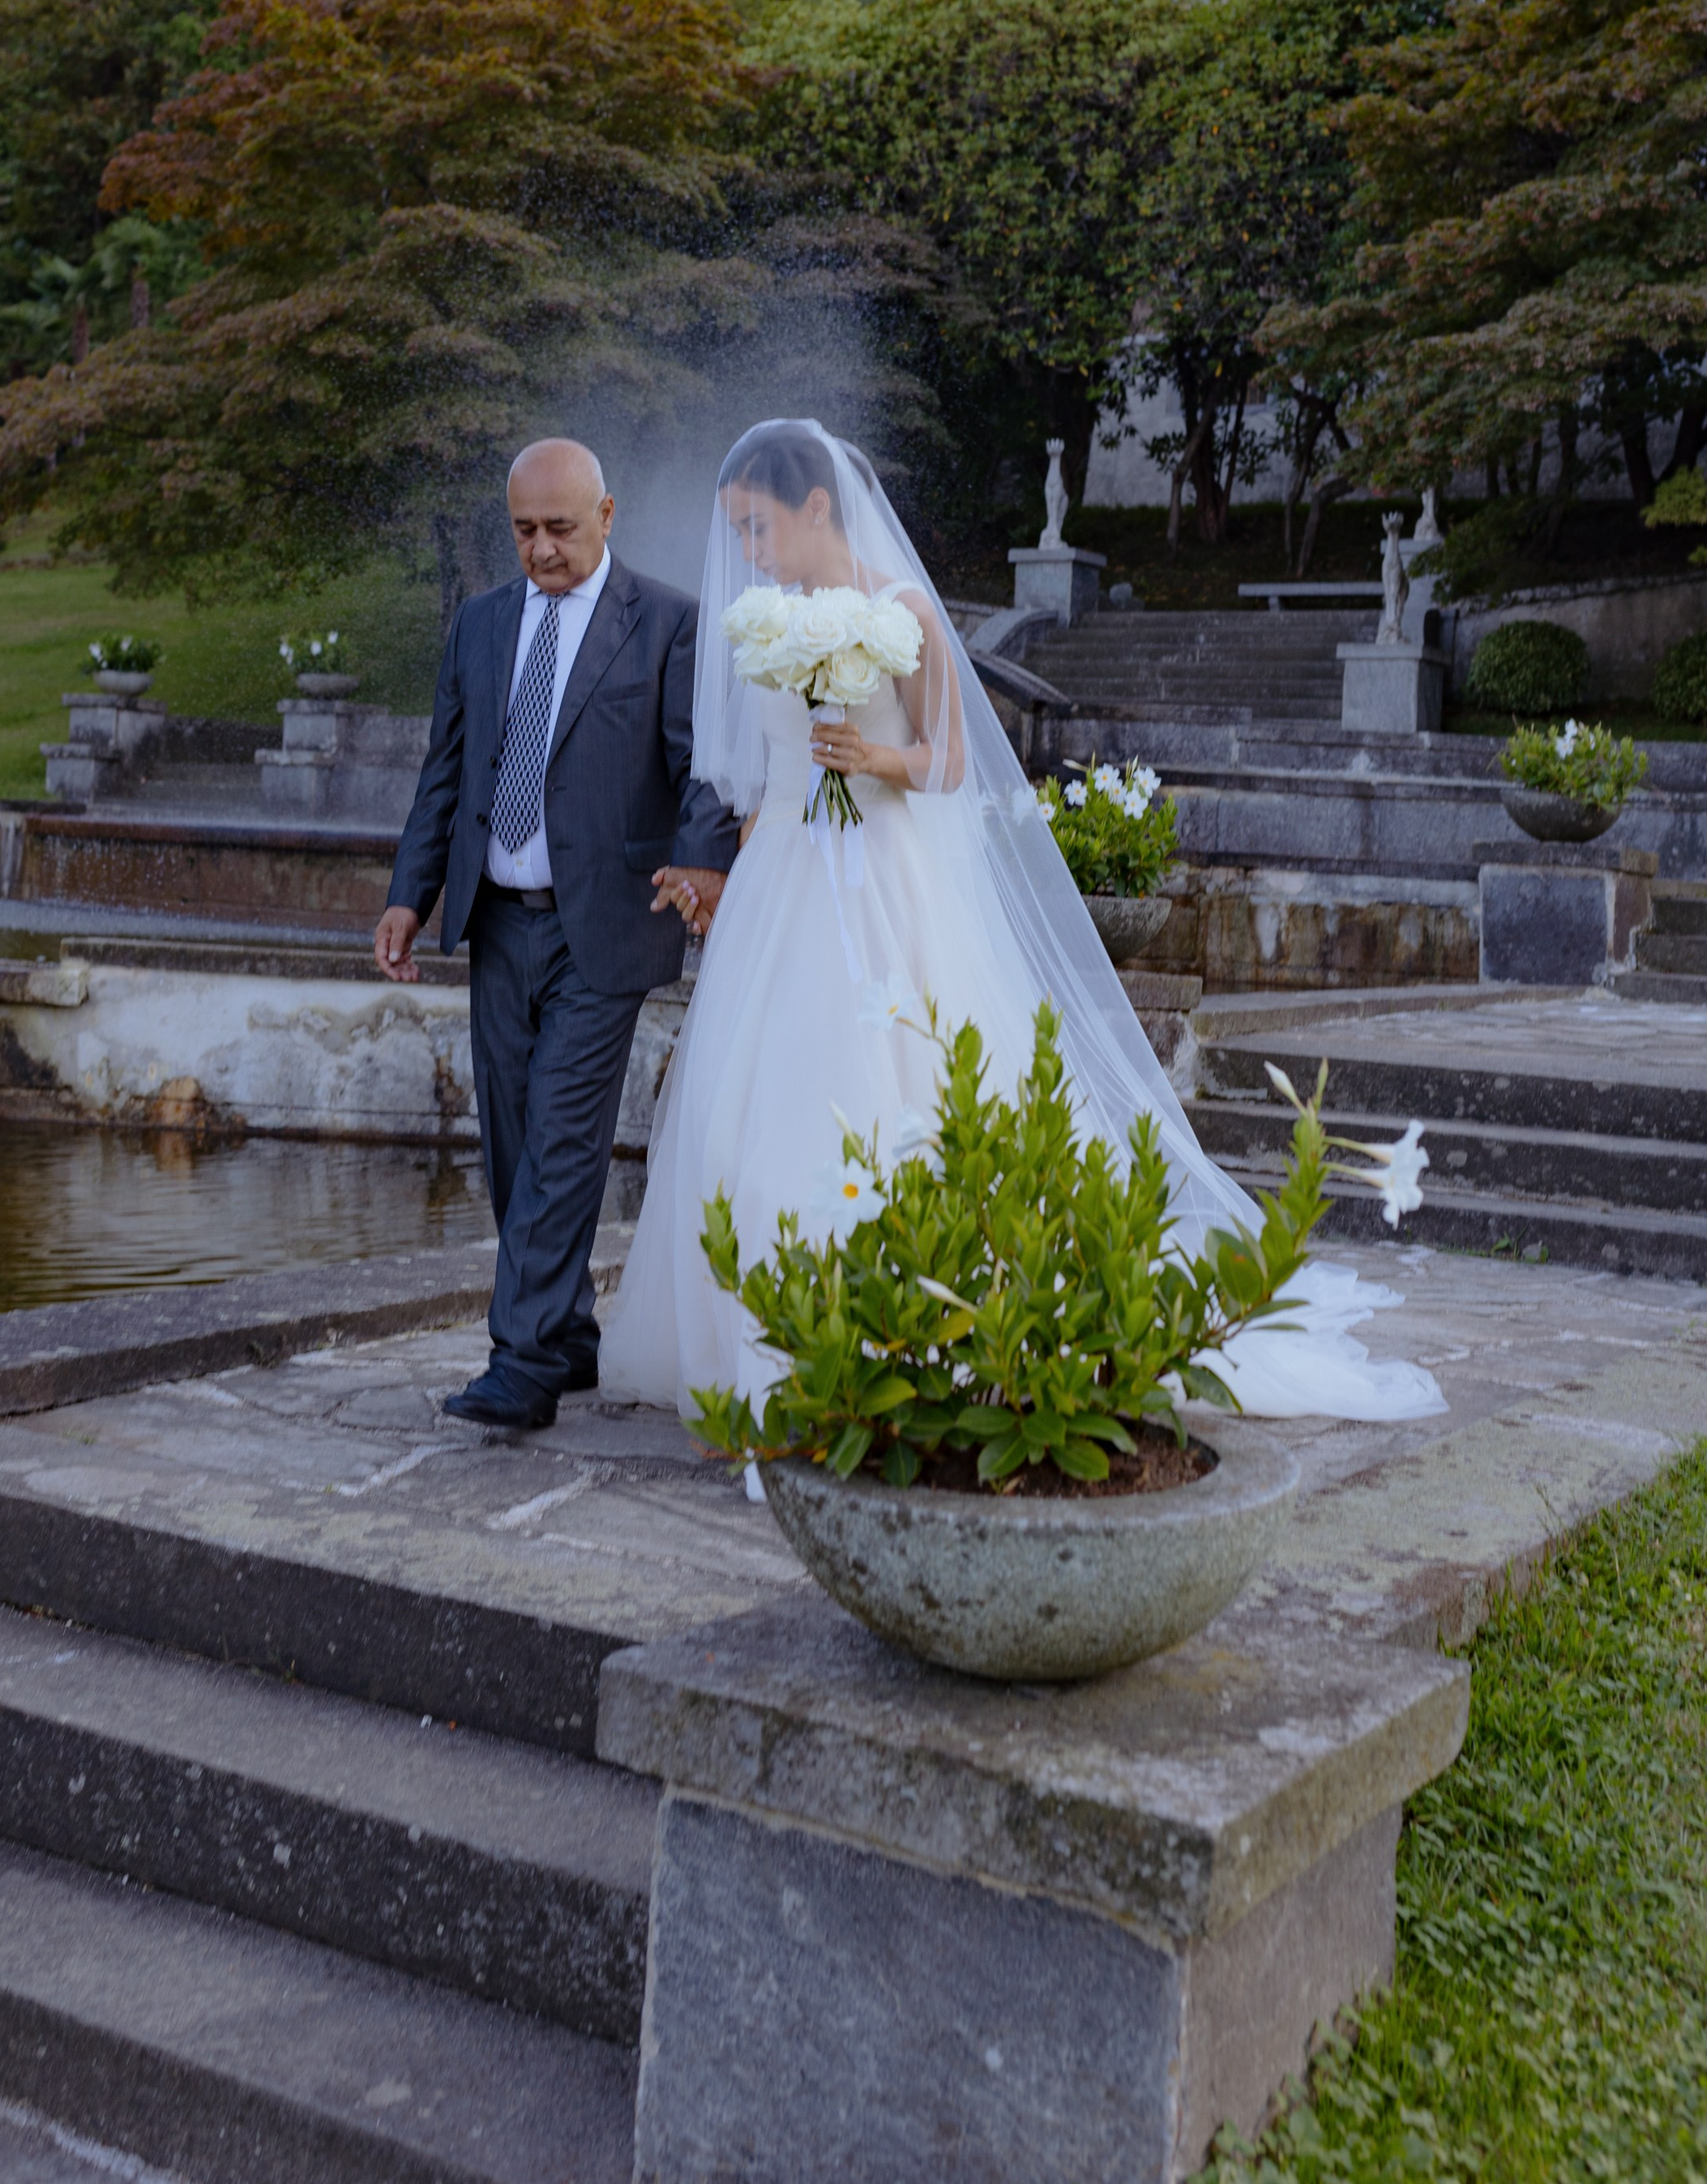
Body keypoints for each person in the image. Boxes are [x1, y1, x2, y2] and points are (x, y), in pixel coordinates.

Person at [601, 417, 1444, 1428]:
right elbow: (757, 776)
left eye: (758, 527)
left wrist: (874, 762)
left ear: (816, 507)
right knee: (749, 1097)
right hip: (782, 879)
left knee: (879, 1087)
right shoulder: (767, 620)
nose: (747, 553)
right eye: (735, 532)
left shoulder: (901, 611)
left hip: (881, 879)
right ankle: (751, 1342)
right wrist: (725, 878)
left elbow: (952, 761)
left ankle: (897, 1332)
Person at [375, 438, 740, 1430]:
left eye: (561, 529)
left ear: (608, 516)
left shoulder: (667, 623)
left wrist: (705, 863)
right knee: (510, 1147)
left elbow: (705, 766)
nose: (541, 549)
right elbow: (444, 773)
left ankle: (523, 1364)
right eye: (525, 531)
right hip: (497, 924)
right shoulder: (482, 626)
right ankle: (569, 1331)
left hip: (606, 931)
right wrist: (412, 894)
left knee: (565, 1144)